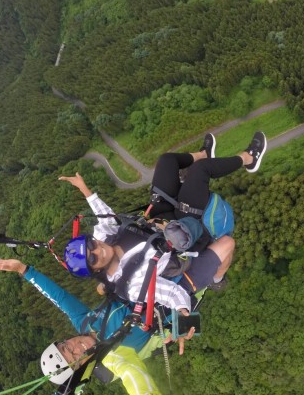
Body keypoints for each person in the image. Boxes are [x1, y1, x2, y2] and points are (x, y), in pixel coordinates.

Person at [58, 131, 267, 307]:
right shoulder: (131, 283)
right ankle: (250, 158)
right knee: (200, 172)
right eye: (92, 258)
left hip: (159, 219)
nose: (97, 249)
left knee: (167, 161)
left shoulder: (105, 237)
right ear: (96, 270)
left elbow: (104, 215)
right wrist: (183, 311)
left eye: (91, 244)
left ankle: (204, 153)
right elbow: (168, 294)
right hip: (182, 234)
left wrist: (84, 189)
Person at [0, 257, 189, 395]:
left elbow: (58, 297)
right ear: (81, 368)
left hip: (153, 279)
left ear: (65, 340)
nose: (76, 349)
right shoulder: (110, 357)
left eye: (67, 348)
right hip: (179, 300)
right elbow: (130, 374)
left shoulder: (83, 321)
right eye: (74, 360)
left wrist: (23, 270)